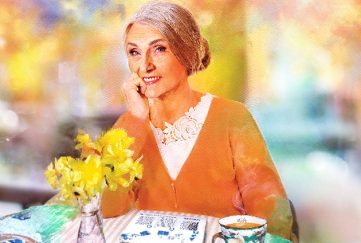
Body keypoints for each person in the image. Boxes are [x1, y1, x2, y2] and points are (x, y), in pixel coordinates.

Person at [101, 1, 295, 240]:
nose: (145, 66)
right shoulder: (128, 125)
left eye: (159, 49)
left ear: (186, 52)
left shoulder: (232, 118)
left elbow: (272, 214)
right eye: (134, 52)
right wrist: (136, 121)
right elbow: (108, 208)